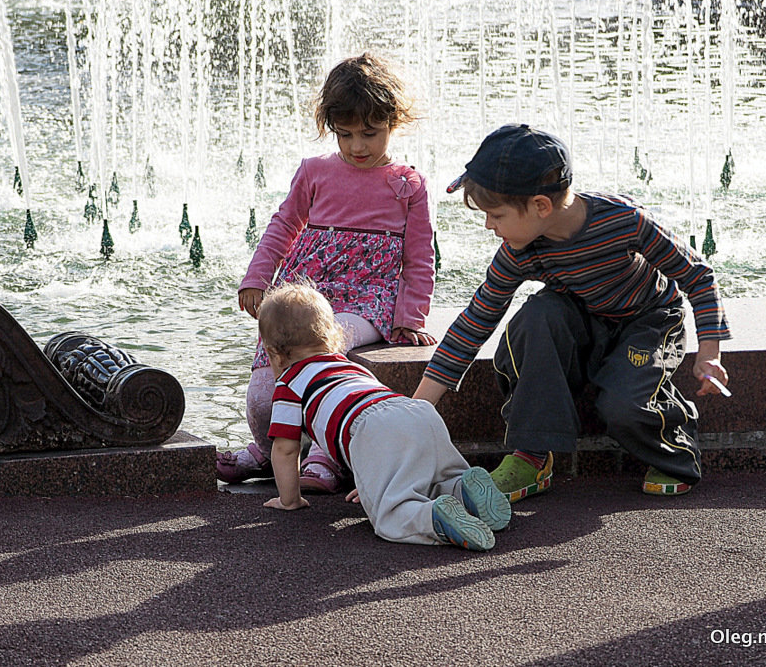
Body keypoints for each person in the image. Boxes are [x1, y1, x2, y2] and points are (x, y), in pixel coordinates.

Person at [412, 124, 732, 502]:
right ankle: (531, 457)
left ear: (540, 206)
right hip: (585, 320)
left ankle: (673, 444)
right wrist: (417, 410)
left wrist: (709, 352)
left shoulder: (624, 220)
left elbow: (697, 275)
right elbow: (475, 321)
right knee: (537, 315)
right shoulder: (520, 250)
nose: (488, 225)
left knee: (621, 406)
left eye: (495, 215)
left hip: (648, 320)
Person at [217, 52, 437, 493]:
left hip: (366, 300)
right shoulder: (315, 172)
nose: (358, 146)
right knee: (267, 378)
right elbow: (282, 226)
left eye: (370, 133)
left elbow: (419, 257)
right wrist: (257, 279)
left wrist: (410, 317)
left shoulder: (407, 184)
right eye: (346, 134)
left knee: (324, 340)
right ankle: (267, 447)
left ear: (394, 123)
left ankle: (323, 456)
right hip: (308, 291)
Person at [258, 282, 510, 551]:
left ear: (275, 354)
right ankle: (463, 489)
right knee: (434, 481)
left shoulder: (289, 385)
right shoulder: (351, 368)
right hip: (417, 411)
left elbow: (285, 450)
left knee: (390, 514)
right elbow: (378, 418)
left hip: (375, 429)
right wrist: (373, 477)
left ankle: (430, 518)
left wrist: (290, 500)